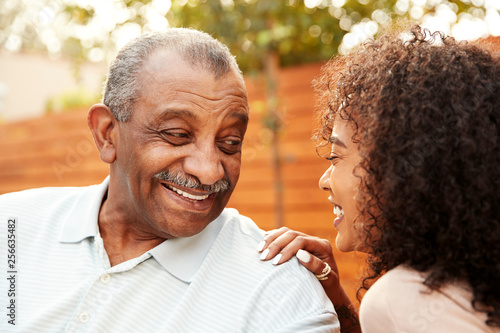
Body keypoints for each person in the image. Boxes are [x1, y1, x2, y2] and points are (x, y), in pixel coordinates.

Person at [0, 28, 339, 332]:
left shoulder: (279, 289)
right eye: (177, 134)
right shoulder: (11, 225)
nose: (210, 171)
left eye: (230, 143)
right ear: (107, 134)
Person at [258, 25, 500, 332]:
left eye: (336, 156)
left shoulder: (402, 299)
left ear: (403, 172)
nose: (324, 180)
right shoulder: (475, 283)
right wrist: (336, 298)